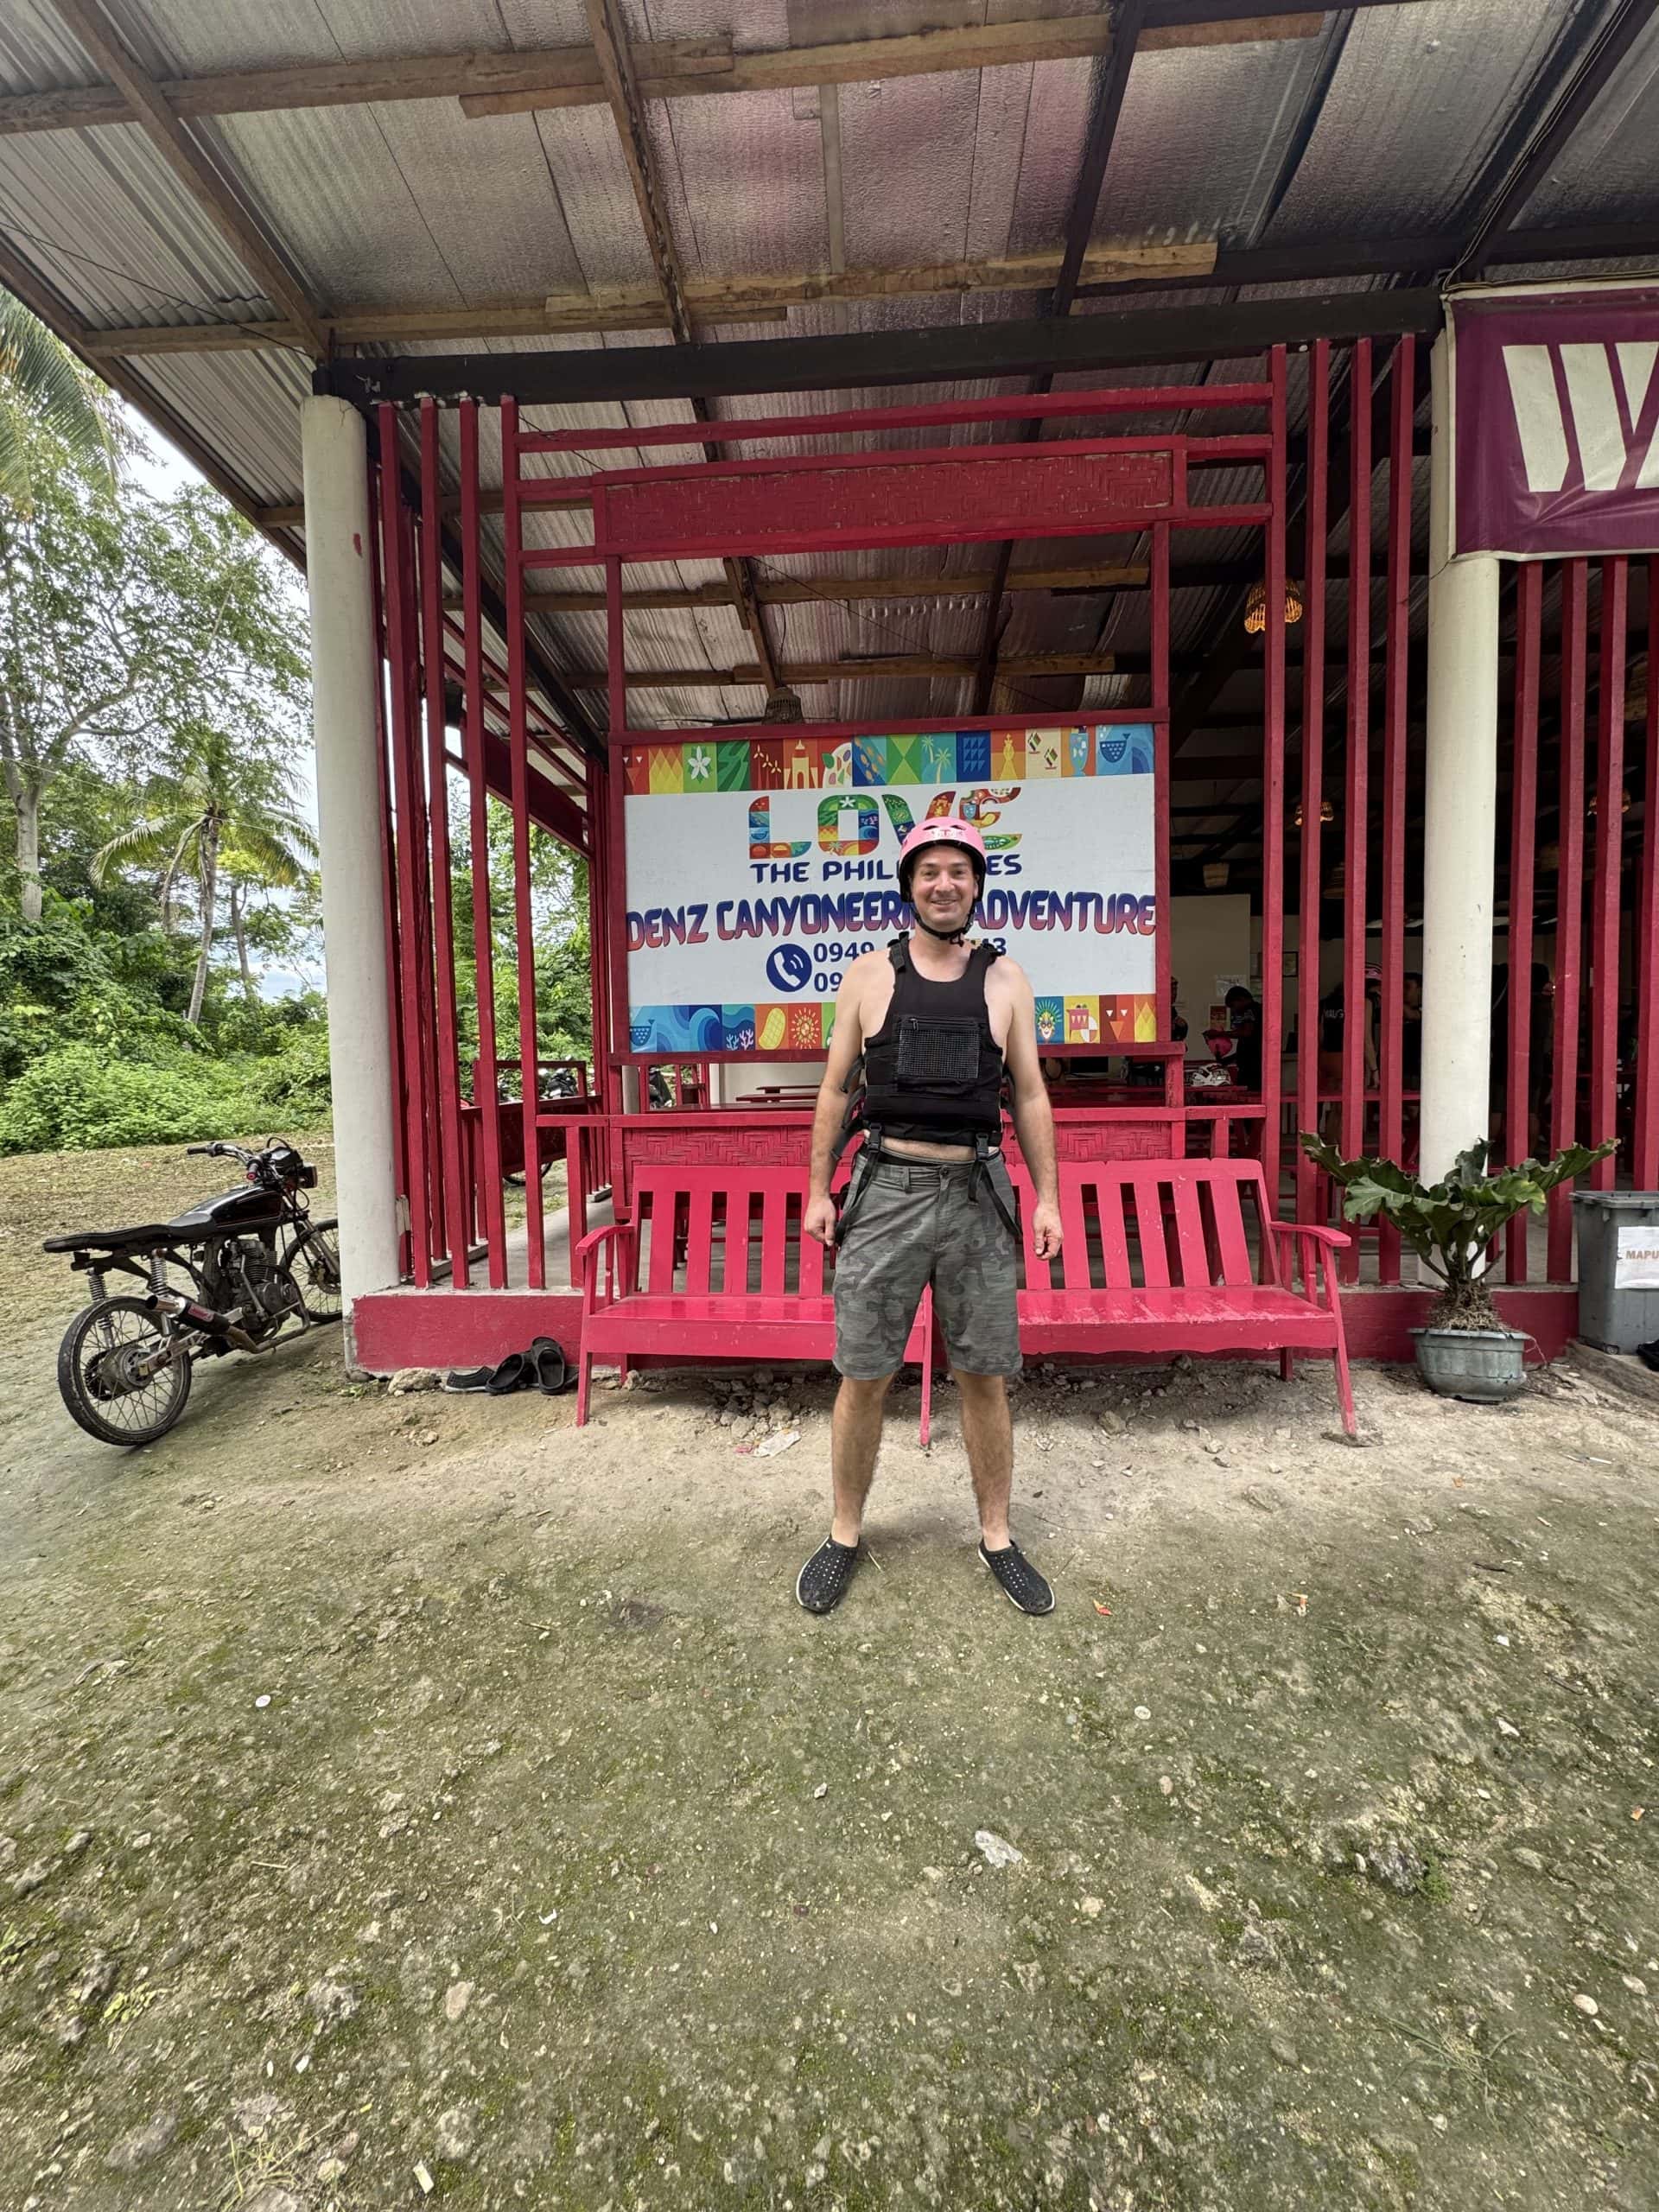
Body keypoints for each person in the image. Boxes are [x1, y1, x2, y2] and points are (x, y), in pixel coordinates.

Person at [796, 819, 1063, 1618]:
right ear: (909, 885)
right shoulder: (866, 977)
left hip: (979, 1195)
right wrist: (819, 1189)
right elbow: (836, 1090)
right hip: (884, 1193)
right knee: (864, 1372)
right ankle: (845, 1533)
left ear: (977, 886)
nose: (944, 885)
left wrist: (1046, 1195)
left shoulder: (1006, 979)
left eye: (959, 872)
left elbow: (1031, 1094)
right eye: (929, 873)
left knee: (984, 1373)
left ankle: (998, 1536)